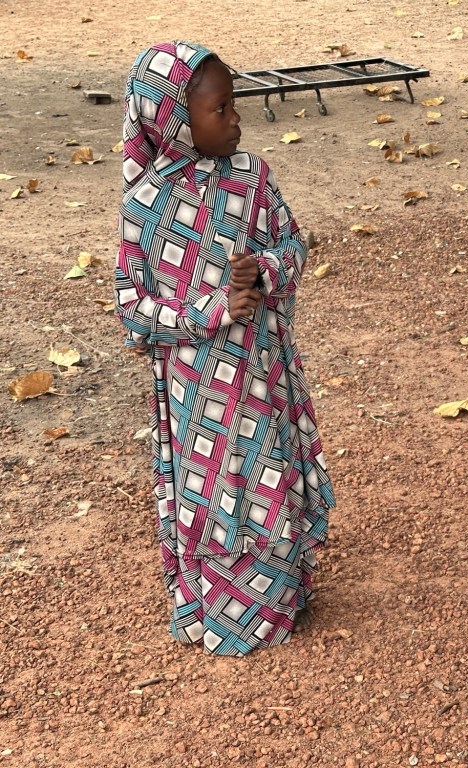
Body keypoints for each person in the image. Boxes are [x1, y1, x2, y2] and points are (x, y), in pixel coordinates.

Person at [115, 42, 335, 656]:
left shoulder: (253, 179)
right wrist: (209, 312)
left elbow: (294, 246)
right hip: (194, 393)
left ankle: (279, 597)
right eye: (221, 108)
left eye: (234, 105)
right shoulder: (144, 206)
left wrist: (261, 269)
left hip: (261, 377)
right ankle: (215, 608)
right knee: (212, 493)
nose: (236, 119)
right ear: (174, 120)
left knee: (269, 478)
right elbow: (132, 310)